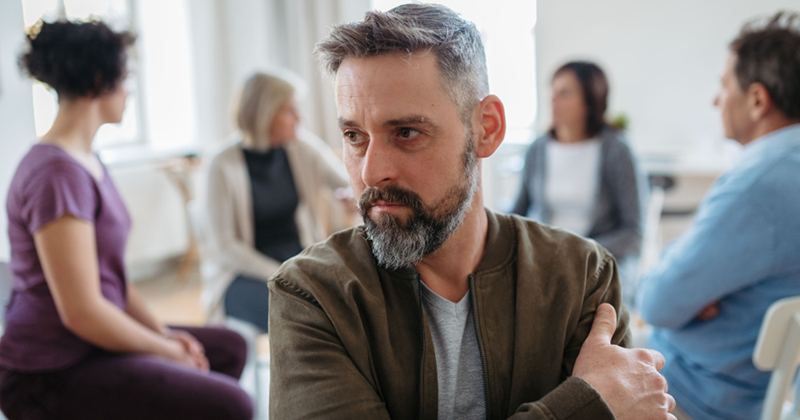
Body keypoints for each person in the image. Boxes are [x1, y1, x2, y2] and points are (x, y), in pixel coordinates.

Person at [268, 4, 675, 420]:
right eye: (354, 135)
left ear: (487, 128)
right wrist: (587, 404)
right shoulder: (312, 294)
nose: (371, 172)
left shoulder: (580, 278)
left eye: (406, 132)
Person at [0, 20, 252, 420]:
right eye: (126, 78)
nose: (130, 91)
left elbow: (111, 279)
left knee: (229, 347)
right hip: (49, 371)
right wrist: (166, 351)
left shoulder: (86, 159)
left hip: (89, 343)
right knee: (234, 404)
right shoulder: (57, 174)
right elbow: (82, 312)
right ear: (100, 80)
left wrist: (166, 335)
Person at [637, 11, 800, 420]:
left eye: (724, 85)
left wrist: (688, 281)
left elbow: (656, 303)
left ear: (758, 100)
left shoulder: (758, 185)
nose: (716, 100)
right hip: (762, 394)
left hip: (693, 395)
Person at [202, 71, 352, 330]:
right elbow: (224, 247)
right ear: (265, 113)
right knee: (299, 314)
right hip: (242, 275)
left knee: (351, 299)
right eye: (290, 110)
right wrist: (282, 272)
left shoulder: (302, 147)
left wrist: (351, 196)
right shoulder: (221, 164)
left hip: (297, 262)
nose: (300, 118)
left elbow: (347, 184)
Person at [512, 61, 646, 305]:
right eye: (552, 92)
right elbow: (516, 212)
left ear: (590, 99)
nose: (553, 101)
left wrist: (579, 253)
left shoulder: (616, 151)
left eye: (564, 93)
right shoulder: (538, 149)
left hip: (598, 260)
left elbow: (633, 233)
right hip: (546, 259)